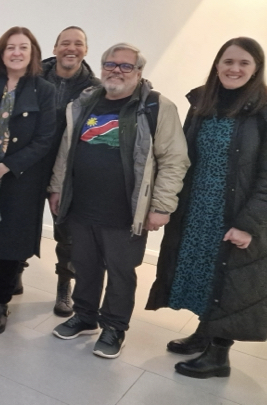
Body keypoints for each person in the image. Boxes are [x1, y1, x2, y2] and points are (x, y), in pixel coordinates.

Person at [49, 43, 189, 359]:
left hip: (127, 210)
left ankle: (114, 327)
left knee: (121, 270)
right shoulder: (84, 103)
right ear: (101, 68)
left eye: (126, 66)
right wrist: (57, 188)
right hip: (82, 205)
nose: (117, 70)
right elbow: (65, 151)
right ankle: (85, 316)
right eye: (111, 64)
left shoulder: (156, 107)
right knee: (83, 264)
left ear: (139, 72)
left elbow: (174, 159)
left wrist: (162, 206)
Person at [146, 37, 267, 378]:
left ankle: (219, 356)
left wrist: (249, 224)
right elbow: (183, 155)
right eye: (228, 61)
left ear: (256, 69)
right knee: (204, 275)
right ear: (217, 65)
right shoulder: (202, 102)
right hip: (199, 209)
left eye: (244, 63)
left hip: (236, 213)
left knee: (230, 280)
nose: (235, 68)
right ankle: (204, 333)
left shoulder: (263, 110)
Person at [0, 27, 57, 335]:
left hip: (20, 180)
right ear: (1, 52)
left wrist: (7, 166)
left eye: (23, 48)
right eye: (10, 47)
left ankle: (1, 303)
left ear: (32, 54)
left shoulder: (44, 90)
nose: (16, 52)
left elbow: (45, 139)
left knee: (11, 245)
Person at [40, 26, 100, 317]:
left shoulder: (96, 90)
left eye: (78, 44)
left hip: (68, 174)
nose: (71, 48)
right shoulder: (32, 78)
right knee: (17, 225)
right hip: (30, 166)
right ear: (54, 48)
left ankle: (64, 286)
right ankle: (13, 275)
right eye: (65, 43)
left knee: (68, 235)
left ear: (86, 50)